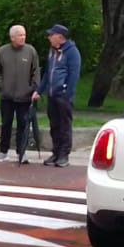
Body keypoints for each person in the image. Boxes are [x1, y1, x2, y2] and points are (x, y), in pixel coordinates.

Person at [0, 23, 41, 163]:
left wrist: (33, 88)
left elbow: (36, 71)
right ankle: (3, 151)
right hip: (7, 96)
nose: (23, 37)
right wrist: (2, 86)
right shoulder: (2, 51)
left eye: (24, 35)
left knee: (23, 125)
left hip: (25, 96)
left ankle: (22, 152)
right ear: (12, 37)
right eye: (20, 35)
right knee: (6, 123)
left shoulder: (30, 51)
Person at [40, 24, 81, 167]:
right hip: (52, 94)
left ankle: (64, 154)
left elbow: (74, 75)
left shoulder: (72, 52)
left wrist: (66, 93)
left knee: (64, 125)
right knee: (54, 125)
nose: (49, 38)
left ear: (60, 37)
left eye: (51, 35)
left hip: (63, 96)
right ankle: (56, 152)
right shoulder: (52, 52)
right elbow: (47, 72)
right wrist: (39, 90)